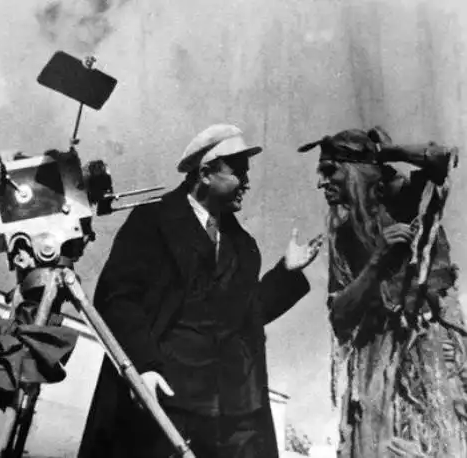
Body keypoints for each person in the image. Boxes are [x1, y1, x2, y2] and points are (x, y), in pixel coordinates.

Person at [78, 124, 323, 458]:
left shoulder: (243, 246)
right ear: (205, 174)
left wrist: (286, 273)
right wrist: (142, 367)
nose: (247, 183)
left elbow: (247, 316)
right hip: (165, 402)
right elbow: (118, 298)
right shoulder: (151, 221)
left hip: (231, 416)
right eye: (238, 172)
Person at [299, 128, 467, 457]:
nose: (321, 182)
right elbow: (339, 316)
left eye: (330, 170)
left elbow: (443, 159)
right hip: (376, 369)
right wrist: (375, 265)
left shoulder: (406, 201)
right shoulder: (343, 236)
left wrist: (388, 152)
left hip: (432, 357)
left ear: (356, 171)